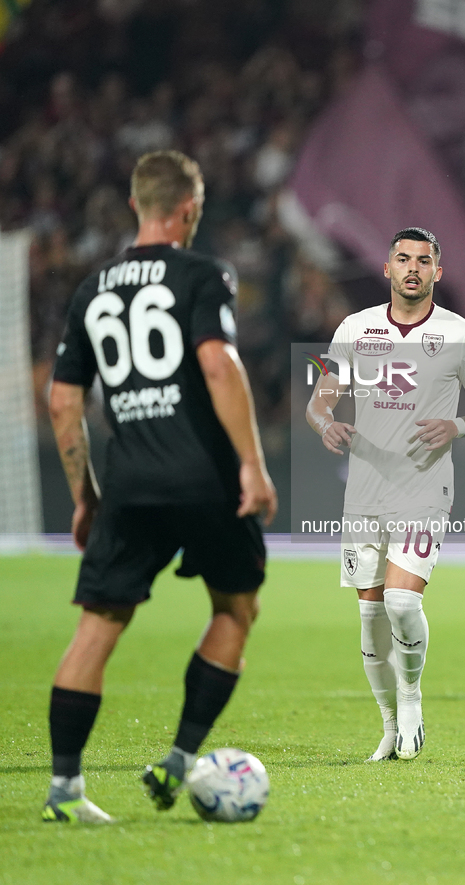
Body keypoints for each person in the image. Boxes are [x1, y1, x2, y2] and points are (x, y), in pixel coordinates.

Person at [43, 150, 277, 823]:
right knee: (235, 609)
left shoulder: (93, 289)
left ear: (135, 207)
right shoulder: (204, 273)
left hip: (129, 482)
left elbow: (63, 402)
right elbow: (217, 361)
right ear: (186, 210)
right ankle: (177, 760)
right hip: (203, 479)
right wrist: (252, 465)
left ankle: (64, 790)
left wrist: (86, 496)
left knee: (97, 627)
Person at [306, 228, 465, 762]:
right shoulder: (354, 328)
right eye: (402, 259)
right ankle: (390, 726)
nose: (412, 268)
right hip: (364, 491)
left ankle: (411, 699)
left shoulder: (461, 334)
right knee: (370, 616)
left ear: (438, 272)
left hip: (425, 487)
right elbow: (320, 399)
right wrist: (325, 424)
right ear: (387, 269)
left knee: (400, 600)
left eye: (423, 260)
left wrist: (457, 427)